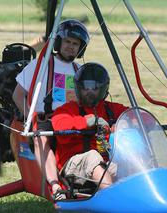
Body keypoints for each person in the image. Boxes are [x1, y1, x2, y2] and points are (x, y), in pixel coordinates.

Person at [12, 19, 90, 199]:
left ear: (81, 48)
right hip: (45, 120)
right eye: (68, 42)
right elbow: (17, 95)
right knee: (42, 138)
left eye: (75, 44)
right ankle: (55, 186)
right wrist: (29, 118)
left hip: (71, 121)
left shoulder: (79, 70)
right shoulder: (41, 65)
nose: (71, 47)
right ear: (58, 42)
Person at [51, 62, 129, 191]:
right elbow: (58, 124)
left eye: (95, 87)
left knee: (130, 164)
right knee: (92, 156)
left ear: (104, 88)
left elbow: (139, 116)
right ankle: (110, 199)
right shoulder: (68, 109)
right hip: (73, 166)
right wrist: (87, 122)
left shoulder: (112, 109)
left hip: (104, 163)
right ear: (78, 88)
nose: (90, 92)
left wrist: (125, 122)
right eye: (85, 88)